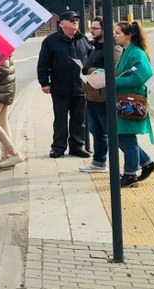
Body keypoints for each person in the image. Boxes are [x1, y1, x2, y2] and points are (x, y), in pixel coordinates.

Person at [37, 11, 93, 158]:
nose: (75, 22)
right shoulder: (51, 41)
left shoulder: (83, 40)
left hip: (81, 87)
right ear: (62, 23)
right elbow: (43, 63)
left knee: (79, 119)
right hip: (60, 87)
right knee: (60, 119)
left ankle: (77, 146)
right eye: (71, 20)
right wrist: (44, 83)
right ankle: (58, 147)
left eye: (77, 19)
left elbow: (92, 61)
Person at [111, 21, 154, 187]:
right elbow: (122, 72)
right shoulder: (126, 51)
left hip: (131, 102)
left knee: (125, 138)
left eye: (117, 32)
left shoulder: (136, 53)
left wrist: (113, 81)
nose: (114, 35)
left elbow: (143, 76)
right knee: (123, 136)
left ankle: (130, 175)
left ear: (129, 35)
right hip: (124, 100)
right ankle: (147, 164)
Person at [79, 18, 120, 174]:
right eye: (92, 27)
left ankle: (143, 161)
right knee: (95, 130)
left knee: (112, 133)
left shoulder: (113, 49)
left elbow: (115, 71)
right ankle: (98, 162)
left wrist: (89, 71)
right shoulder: (95, 47)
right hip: (92, 95)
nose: (92, 30)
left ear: (104, 30)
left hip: (104, 98)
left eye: (95, 28)